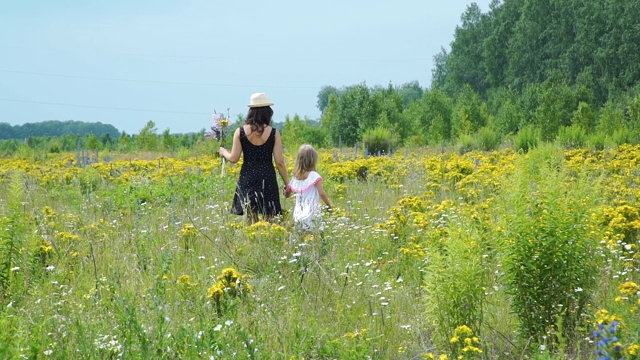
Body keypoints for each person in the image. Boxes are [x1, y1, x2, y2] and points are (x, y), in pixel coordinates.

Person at [219, 93, 289, 224]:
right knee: (271, 218)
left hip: (248, 177)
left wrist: (224, 152)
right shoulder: (274, 133)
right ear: (267, 112)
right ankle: (269, 241)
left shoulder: (240, 132)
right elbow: (279, 162)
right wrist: (287, 183)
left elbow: (234, 158)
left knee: (251, 219)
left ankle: (253, 242)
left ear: (251, 111)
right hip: (267, 177)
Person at [285, 144, 332, 231]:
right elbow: (322, 193)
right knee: (313, 233)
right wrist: (329, 205)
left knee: (301, 234)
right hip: (311, 211)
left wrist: (286, 193)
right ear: (312, 160)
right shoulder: (313, 176)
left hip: (298, 212)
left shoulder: (295, 176)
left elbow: (287, 192)